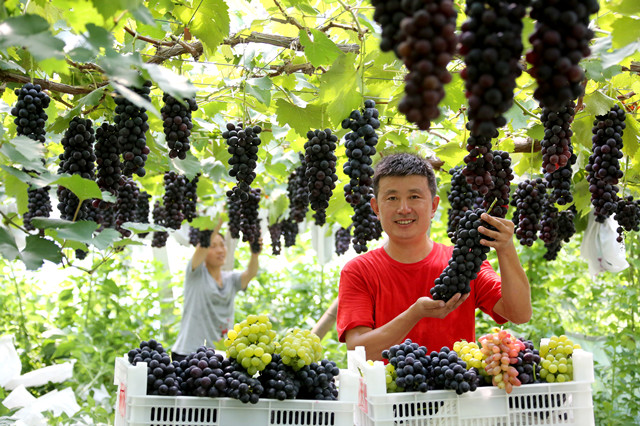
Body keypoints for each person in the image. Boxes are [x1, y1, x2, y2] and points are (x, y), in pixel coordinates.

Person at [337, 153, 531, 361]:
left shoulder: (464, 262)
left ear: (434, 206)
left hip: (456, 390)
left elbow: (519, 314)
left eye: (414, 196)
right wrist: (415, 314)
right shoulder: (358, 271)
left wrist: (506, 248)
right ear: (376, 207)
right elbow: (358, 351)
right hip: (390, 393)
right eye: (392, 198)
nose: (403, 209)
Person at [171, 223, 261, 361]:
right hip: (189, 353)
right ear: (204, 251)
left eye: (222, 245)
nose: (220, 250)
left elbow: (250, 274)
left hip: (218, 355)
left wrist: (255, 254)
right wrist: (219, 220)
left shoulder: (230, 279)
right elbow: (203, 245)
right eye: (213, 246)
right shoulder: (195, 275)